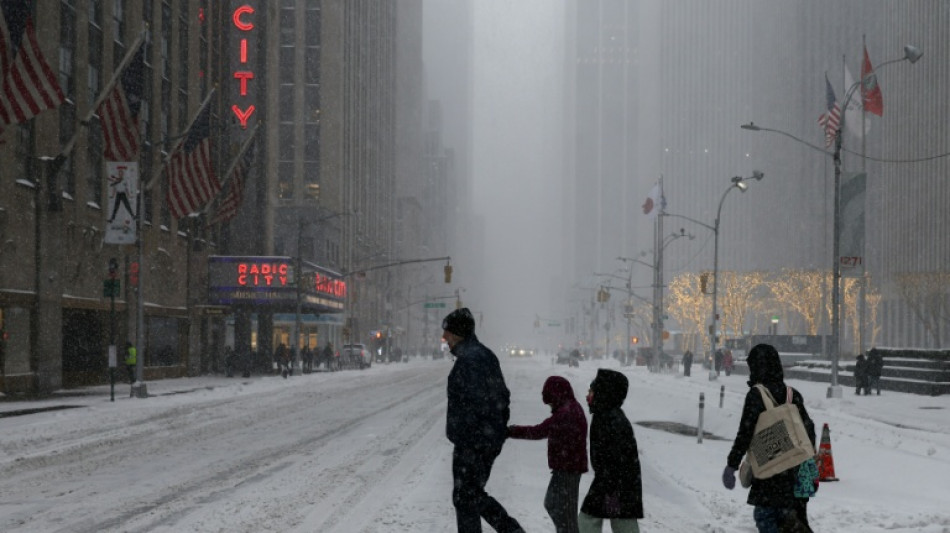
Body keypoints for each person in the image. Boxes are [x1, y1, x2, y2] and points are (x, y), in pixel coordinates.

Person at [443, 307, 525, 533]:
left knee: (466, 496)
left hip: (473, 443)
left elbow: (480, 404)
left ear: (457, 333)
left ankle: (512, 531)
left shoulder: (470, 360)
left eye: (447, 332)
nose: (444, 337)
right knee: (469, 495)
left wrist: (471, 437)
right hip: (482, 441)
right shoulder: (482, 355)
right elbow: (502, 398)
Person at [722, 343, 816, 533]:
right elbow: (809, 430)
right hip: (794, 479)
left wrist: (732, 465)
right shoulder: (793, 394)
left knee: (766, 518)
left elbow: (745, 433)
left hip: (768, 476)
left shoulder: (756, 395)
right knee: (793, 523)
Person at [508, 376, 589, 533]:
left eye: (550, 400)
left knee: (563, 512)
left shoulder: (567, 413)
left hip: (568, 469)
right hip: (566, 467)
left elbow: (539, 431)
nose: (549, 405)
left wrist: (511, 431)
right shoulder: (570, 408)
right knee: (557, 507)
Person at [578, 368, 643, 532]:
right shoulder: (605, 415)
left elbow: (616, 459)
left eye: (591, 391)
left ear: (603, 393)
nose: (587, 396)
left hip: (614, 485)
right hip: (615, 484)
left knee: (589, 520)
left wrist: (609, 488)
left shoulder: (610, 419)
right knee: (620, 521)